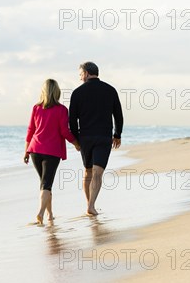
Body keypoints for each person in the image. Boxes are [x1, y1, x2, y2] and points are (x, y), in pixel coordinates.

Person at [69, 62, 124, 216]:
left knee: (88, 172)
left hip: (85, 138)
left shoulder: (77, 93)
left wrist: (76, 140)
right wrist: (117, 134)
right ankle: (91, 205)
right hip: (103, 137)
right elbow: (118, 115)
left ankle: (89, 205)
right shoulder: (110, 90)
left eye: (80, 74)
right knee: (98, 173)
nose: (80, 78)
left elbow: (72, 120)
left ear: (86, 73)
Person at [25, 79, 79, 225]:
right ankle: (41, 213)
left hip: (35, 150)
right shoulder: (61, 110)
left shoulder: (36, 108)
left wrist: (26, 151)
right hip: (52, 152)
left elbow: (31, 130)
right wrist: (76, 143)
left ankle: (49, 214)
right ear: (57, 92)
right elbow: (64, 131)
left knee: (45, 183)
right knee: (46, 184)